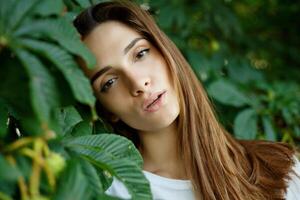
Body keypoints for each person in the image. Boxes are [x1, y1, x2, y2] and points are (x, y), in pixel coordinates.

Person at [73, 1, 300, 199]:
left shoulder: (282, 170)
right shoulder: (114, 192)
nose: (138, 83)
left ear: (167, 52)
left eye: (141, 54)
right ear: (105, 108)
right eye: (109, 82)